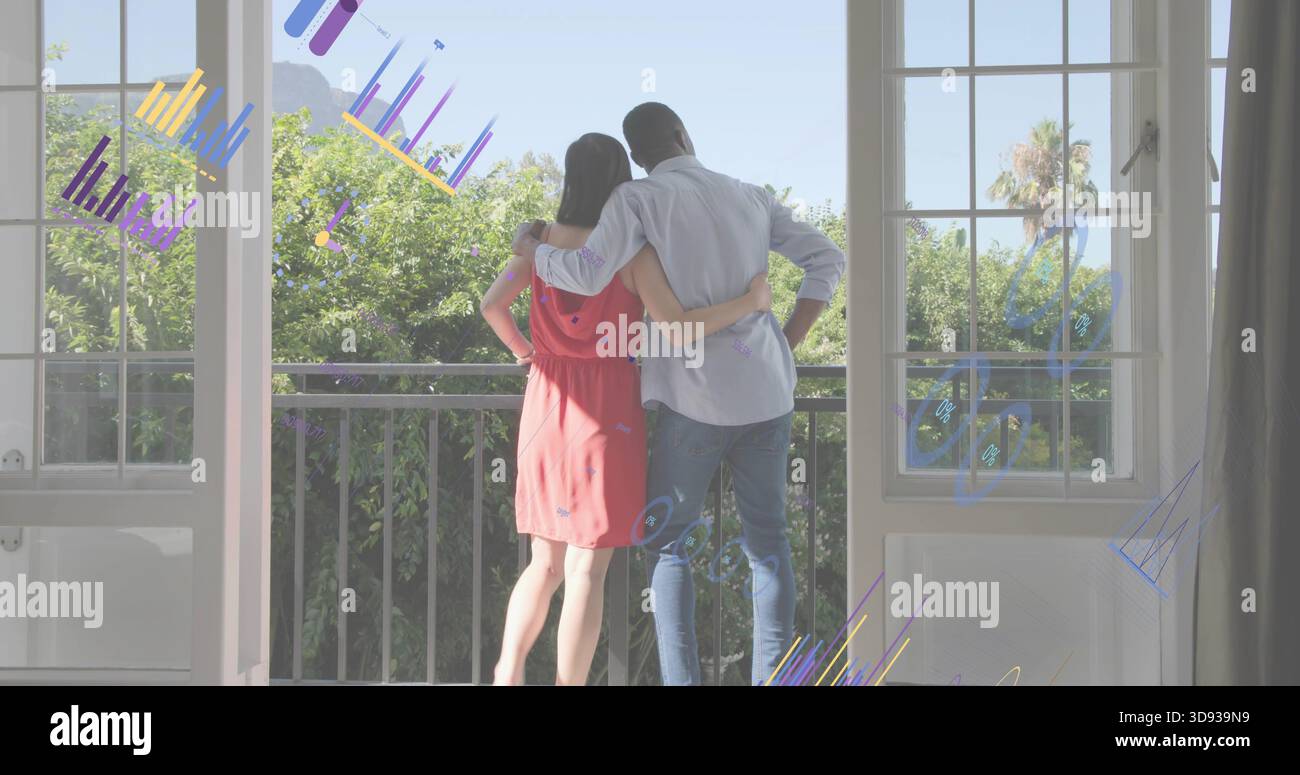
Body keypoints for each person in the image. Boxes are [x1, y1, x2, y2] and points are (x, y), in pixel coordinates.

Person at [511, 103, 845, 686]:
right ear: (684, 135)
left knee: (669, 547)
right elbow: (827, 259)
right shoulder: (752, 195)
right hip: (767, 395)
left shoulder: (636, 200)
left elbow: (587, 274)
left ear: (637, 159)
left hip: (692, 402)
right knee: (768, 543)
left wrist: (530, 249)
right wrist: (785, 344)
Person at [481, 132, 772, 686]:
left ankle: (508, 672)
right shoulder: (630, 255)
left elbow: (492, 306)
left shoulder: (537, 243)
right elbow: (682, 327)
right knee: (586, 566)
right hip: (607, 413)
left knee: (543, 563)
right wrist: (751, 302)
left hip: (545, 400)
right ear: (622, 184)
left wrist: (528, 354)